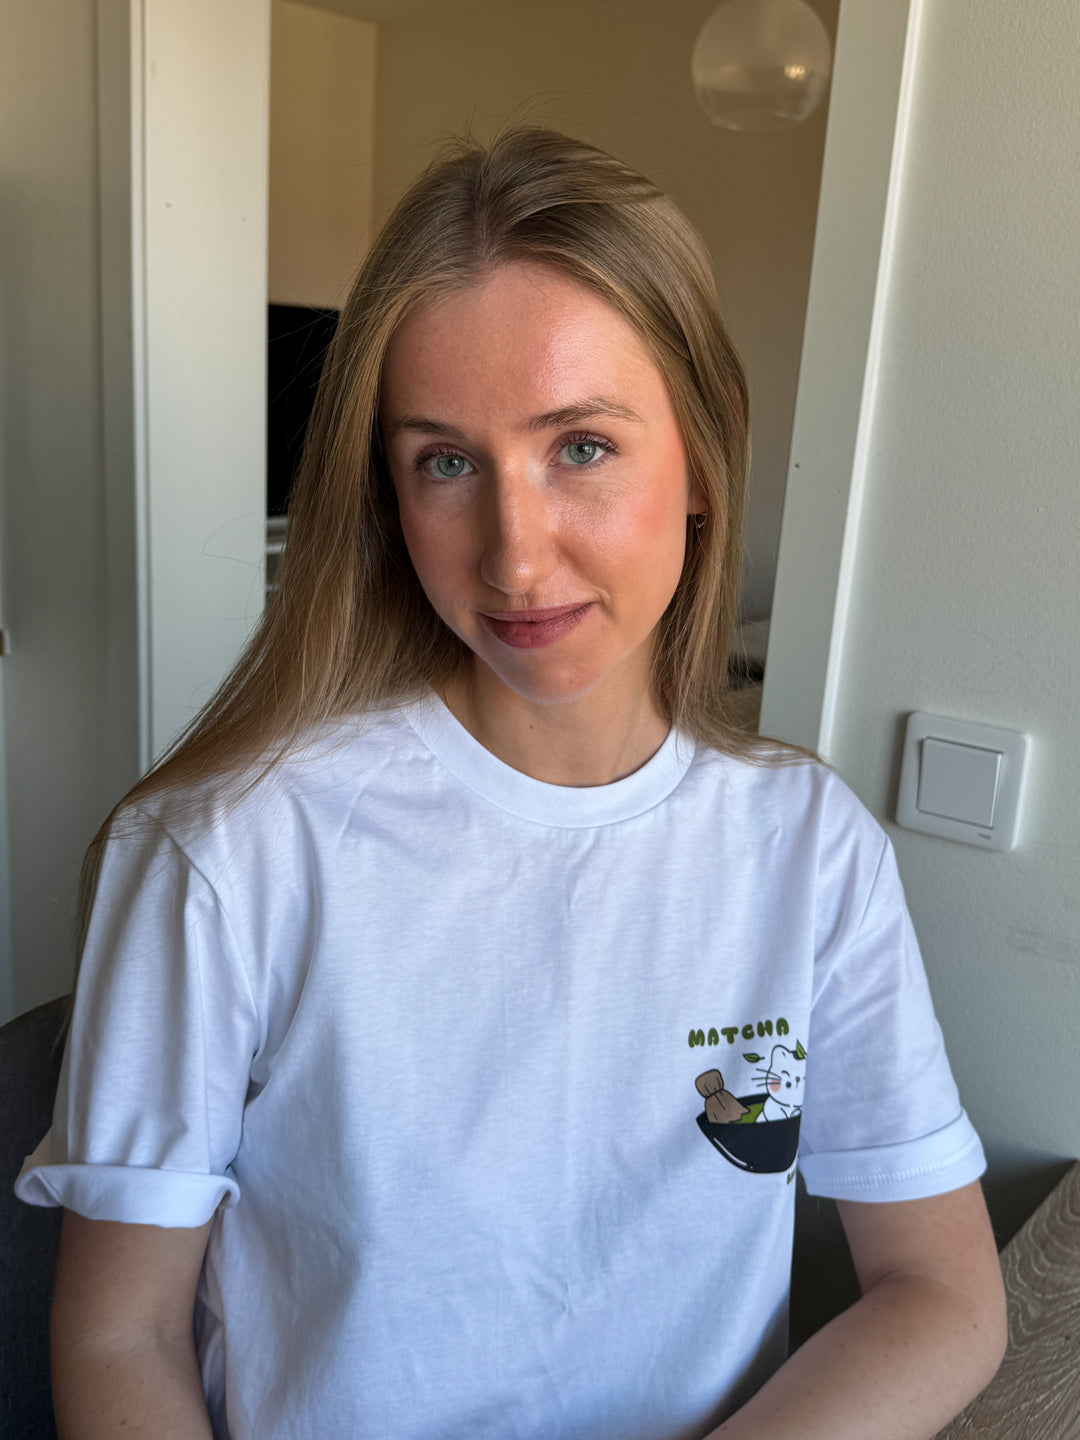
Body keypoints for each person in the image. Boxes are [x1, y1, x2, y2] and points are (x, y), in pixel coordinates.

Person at [17, 127, 1005, 1440]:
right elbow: (116, 1331)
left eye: (581, 446)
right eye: (445, 461)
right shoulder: (229, 848)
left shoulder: (806, 848)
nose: (516, 556)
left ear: (702, 463)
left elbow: (941, 1288)